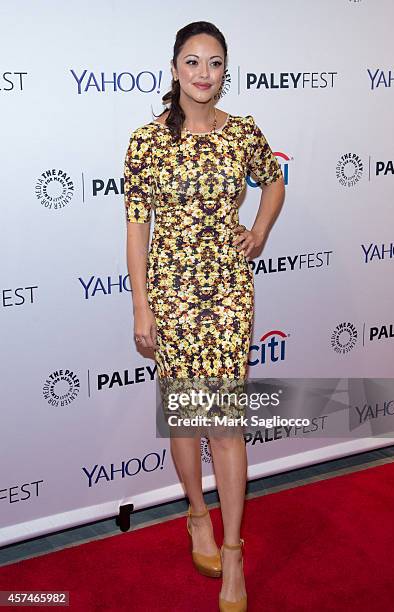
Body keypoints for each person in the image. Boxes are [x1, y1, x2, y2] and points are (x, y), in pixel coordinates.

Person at [124, 20, 285, 612]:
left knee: (225, 426)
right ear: (173, 69)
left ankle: (234, 552)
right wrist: (141, 304)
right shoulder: (146, 142)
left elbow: (274, 184)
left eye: (214, 62)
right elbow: (136, 230)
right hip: (169, 299)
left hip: (225, 295)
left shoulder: (243, 134)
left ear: (226, 70)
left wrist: (261, 230)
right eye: (191, 62)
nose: (203, 74)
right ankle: (197, 516)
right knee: (185, 419)